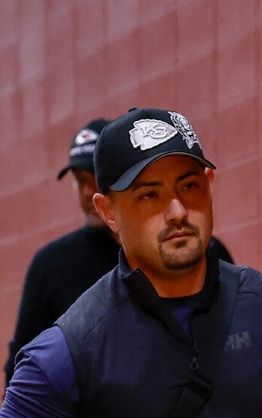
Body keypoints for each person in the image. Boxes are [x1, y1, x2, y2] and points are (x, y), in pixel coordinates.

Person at [1, 108, 262, 417]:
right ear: (108, 212)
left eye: (189, 186)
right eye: (149, 195)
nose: (177, 212)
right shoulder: (63, 358)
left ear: (209, 185)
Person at [3, 119, 234, 386]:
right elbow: (22, 366)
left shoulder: (196, 250)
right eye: (80, 181)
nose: (87, 191)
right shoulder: (52, 265)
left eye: (94, 178)